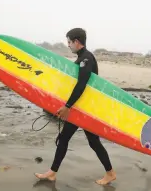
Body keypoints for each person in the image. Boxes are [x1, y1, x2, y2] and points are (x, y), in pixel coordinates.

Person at [34, 28, 116, 185]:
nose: (68, 45)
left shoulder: (86, 59)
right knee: (67, 139)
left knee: (90, 141)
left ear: (77, 42)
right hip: (80, 107)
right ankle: (52, 173)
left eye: (69, 42)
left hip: (85, 108)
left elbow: (81, 85)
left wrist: (67, 106)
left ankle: (110, 173)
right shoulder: (82, 58)